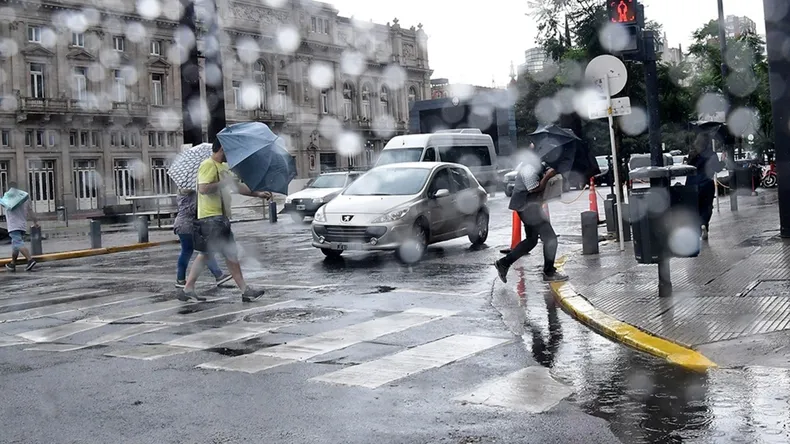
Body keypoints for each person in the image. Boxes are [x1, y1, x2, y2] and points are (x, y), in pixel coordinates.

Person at [178, 140, 272, 302]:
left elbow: (236, 187)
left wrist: (258, 194)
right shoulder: (208, 165)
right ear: (222, 148)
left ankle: (190, 288)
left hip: (221, 218)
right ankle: (190, 288)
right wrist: (224, 183)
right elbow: (203, 188)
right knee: (213, 254)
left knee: (222, 254)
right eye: (229, 150)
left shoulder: (223, 167)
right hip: (210, 218)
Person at [494, 153, 568, 283]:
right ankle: (549, 272)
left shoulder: (539, 165)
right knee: (550, 239)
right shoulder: (528, 168)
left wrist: (550, 172)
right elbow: (534, 188)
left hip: (530, 206)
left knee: (532, 240)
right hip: (527, 207)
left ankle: (504, 263)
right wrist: (548, 176)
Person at [173, 189, 232, 288]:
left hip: (186, 225)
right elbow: (194, 209)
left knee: (205, 251)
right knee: (190, 251)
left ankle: (218, 275)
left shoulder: (183, 192)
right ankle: (180, 280)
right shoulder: (189, 195)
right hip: (187, 226)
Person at [686, 133, 722, 241]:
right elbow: (717, 169)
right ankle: (704, 224)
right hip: (707, 183)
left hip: (692, 184)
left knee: (695, 208)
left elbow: (688, 168)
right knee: (707, 207)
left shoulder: (692, 154)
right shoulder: (712, 154)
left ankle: (697, 229)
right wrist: (723, 163)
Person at [3, 182, 39, 272]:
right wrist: (35, 221)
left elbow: (3, 204)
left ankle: (30, 260)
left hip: (13, 225)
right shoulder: (24, 197)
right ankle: (12, 263)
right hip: (22, 225)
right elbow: (30, 210)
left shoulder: (8, 198)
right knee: (15, 245)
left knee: (18, 243)